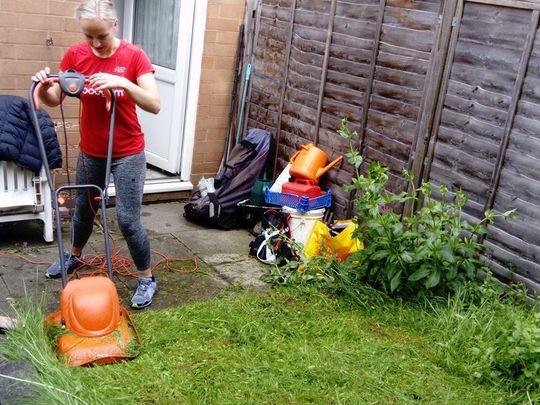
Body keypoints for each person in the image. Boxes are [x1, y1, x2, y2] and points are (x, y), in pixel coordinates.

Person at [32, 0, 160, 309]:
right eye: (89, 36)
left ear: (114, 26)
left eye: (101, 35)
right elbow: (54, 98)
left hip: (128, 151)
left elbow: (154, 103)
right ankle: (74, 257)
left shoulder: (134, 57)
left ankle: (146, 277)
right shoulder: (76, 55)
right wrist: (44, 84)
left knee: (128, 220)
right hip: (91, 151)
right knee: (83, 212)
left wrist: (123, 82)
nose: (96, 43)